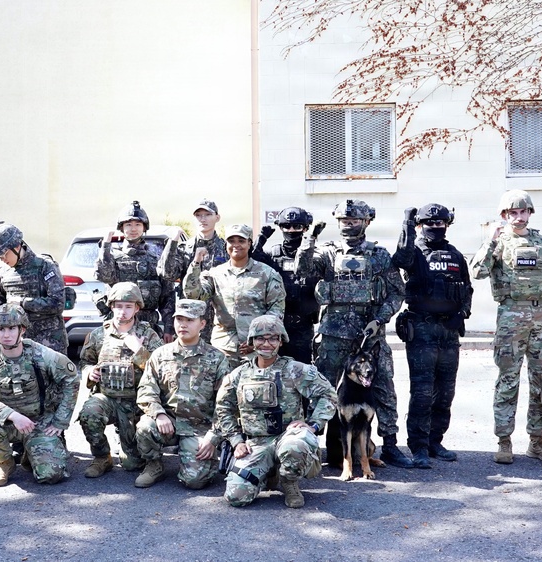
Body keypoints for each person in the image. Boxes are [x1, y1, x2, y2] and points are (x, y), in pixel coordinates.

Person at [294, 199, 414, 469]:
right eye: (344, 221)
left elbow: (397, 291)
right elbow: (303, 269)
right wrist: (309, 239)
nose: (349, 225)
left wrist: (380, 319)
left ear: (367, 222)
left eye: (355, 221)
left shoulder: (378, 255)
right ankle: (313, 448)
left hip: (369, 334)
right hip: (334, 334)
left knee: (383, 388)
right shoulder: (327, 253)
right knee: (322, 389)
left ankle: (391, 445)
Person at [468, 190, 542, 464]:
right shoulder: (497, 243)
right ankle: (504, 441)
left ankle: (537, 441)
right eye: (512, 213)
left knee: (541, 382)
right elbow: (477, 272)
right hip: (510, 318)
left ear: (530, 213)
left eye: (523, 212)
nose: (518, 217)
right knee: (508, 381)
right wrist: (490, 242)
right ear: (504, 215)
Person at [214, 315, 338, 508]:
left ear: (281, 341)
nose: (266, 344)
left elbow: (329, 394)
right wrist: (236, 441)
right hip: (256, 443)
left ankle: (289, 481)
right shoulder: (238, 375)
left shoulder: (295, 370)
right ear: (252, 342)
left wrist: (313, 425)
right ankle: (269, 473)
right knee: (236, 497)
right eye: (260, 338)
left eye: (273, 338)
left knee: (295, 446)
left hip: (287, 437)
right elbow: (223, 408)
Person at [392, 203, 473, 468]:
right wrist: (407, 224)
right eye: (429, 223)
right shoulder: (414, 252)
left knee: (445, 392)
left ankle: (435, 441)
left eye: (440, 223)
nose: (435, 227)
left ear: (447, 225)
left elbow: (467, 289)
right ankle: (418, 447)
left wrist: (461, 313)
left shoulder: (455, 255)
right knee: (422, 392)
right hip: (422, 329)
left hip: (448, 332)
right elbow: (400, 260)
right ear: (420, 226)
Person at [0, 303, 79, 486]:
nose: (6, 334)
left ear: (22, 329)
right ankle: (4, 464)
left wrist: (60, 420)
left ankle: (31, 454)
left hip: (39, 421)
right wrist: (13, 416)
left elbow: (71, 380)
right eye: (0, 329)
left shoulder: (41, 355)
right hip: (8, 423)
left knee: (51, 475)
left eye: (11, 328)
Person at [134, 299, 231, 489]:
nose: (182, 325)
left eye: (189, 320)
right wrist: (159, 414)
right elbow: (146, 389)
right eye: (179, 319)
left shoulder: (216, 358)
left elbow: (226, 403)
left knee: (194, 481)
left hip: (199, 426)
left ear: (202, 324)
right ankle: (154, 464)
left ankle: (193, 460)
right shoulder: (161, 354)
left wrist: (214, 436)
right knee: (145, 426)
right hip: (168, 422)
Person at [78, 282, 164, 478]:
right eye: (118, 306)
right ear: (111, 306)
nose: (122, 312)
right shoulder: (99, 335)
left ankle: (140, 451)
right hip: (108, 399)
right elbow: (84, 362)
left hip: (136, 403)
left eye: (128, 306)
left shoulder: (148, 335)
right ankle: (102, 457)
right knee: (89, 412)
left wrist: (139, 351)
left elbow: (162, 370)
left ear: (137, 308)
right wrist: (90, 372)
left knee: (132, 465)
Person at [182, 224, 286, 368]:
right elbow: (193, 294)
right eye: (231, 241)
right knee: (223, 388)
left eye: (241, 241)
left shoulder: (267, 274)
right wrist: (196, 263)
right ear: (226, 245)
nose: (236, 245)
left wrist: (257, 341)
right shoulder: (215, 274)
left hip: (258, 351)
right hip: (223, 349)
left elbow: (276, 311)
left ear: (249, 243)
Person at [252, 206, 326, 363]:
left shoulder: (316, 255)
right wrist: (261, 239)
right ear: (280, 227)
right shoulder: (273, 254)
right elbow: (252, 261)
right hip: (277, 323)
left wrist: (311, 239)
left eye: (297, 226)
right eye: (286, 226)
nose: (291, 230)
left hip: (303, 324)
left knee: (302, 367)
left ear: (305, 228)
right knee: (272, 365)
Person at [95, 200, 176, 342]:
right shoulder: (111, 256)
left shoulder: (156, 259)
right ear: (121, 228)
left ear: (144, 227)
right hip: (118, 326)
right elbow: (105, 276)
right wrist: (106, 245)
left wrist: (169, 328)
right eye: (128, 225)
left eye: (138, 224)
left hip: (150, 328)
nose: (133, 229)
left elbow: (167, 296)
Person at [0, 222, 68, 354]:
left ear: (17, 247)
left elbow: (57, 303)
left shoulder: (45, 266)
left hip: (49, 344)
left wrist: (22, 303)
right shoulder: (4, 273)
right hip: (17, 345)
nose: (2, 259)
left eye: (5, 254)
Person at [157, 199, 229, 342]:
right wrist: (173, 243)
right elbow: (167, 273)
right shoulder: (185, 248)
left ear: (217, 217)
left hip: (219, 319)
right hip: (189, 320)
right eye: (198, 215)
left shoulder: (226, 249)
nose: (203, 219)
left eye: (207, 214)